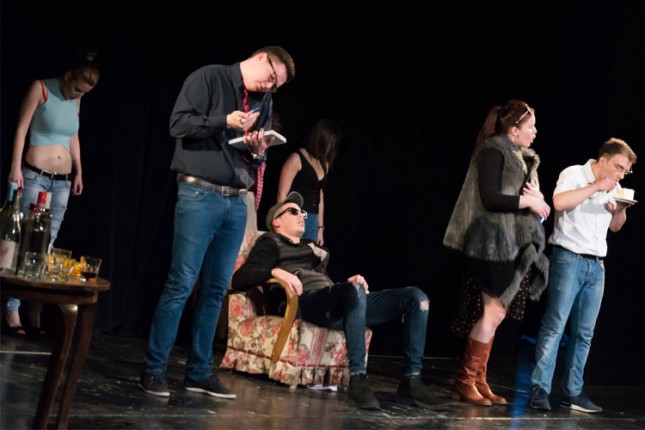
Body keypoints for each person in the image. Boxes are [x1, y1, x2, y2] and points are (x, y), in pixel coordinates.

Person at [139, 46, 295, 399]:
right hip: (200, 194)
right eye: (272, 77)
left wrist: (258, 151)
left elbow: (256, 159)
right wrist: (224, 121)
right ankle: (154, 368)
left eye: (277, 86)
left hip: (236, 201)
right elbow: (178, 124)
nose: (270, 87)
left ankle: (198, 372)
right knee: (182, 282)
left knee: (215, 291)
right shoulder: (209, 77)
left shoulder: (264, 102)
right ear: (261, 58)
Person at [231, 191, 450, 411]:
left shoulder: (311, 249)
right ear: (276, 222)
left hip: (332, 301)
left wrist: (350, 286)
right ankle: (357, 377)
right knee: (353, 291)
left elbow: (325, 284)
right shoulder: (270, 243)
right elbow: (241, 278)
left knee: (416, 298)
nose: (302, 216)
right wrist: (277, 272)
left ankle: (412, 380)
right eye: (293, 211)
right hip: (307, 304)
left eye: (303, 213)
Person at [443, 99, 551, 406]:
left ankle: (478, 379)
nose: (535, 132)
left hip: (508, 243)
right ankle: (465, 380)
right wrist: (529, 202)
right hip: (488, 242)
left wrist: (537, 201)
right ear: (514, 130)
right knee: (493, 312)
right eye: (531, 127)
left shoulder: (521, 158)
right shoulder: (493, 151)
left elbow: (527, 201)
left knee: (496, 313)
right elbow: (490, 197)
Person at [529, 137, 637, 414]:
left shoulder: (616, 188)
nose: (621, 175)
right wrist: (596, 187)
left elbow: (615, 227)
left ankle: (573, 392)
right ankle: (540, 388)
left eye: (625, 171)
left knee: (584, 333)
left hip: (596, 265)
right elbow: (559, 202)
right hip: (569, 258)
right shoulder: (574, 173)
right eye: (618, 167)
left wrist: (620, 210)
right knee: (555, 326)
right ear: (603, 159)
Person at [3, 50, 99, 337]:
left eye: (84, 93)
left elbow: (73, 136)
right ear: (68, 77)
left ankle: (34, 306)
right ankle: (11, 309)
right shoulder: (41, 88)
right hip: (35, 176)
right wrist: (15, 168)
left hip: (62, 183)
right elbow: (21, 129)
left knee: (47, 245)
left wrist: (79, 170)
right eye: (77, 89)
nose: (78, 95)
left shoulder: (76, 99)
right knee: (24, 240)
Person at [276, 118, 340, 244]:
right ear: (320, 140)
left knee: (309, 255)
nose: (329, 149)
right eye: (328, 144)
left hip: (312, 221)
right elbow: (281, 194)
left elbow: (320, 195)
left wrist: (320, 228)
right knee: (290, 253)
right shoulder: (297, 159)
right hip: (294, 216)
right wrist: (280, 222)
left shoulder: (325, 164)